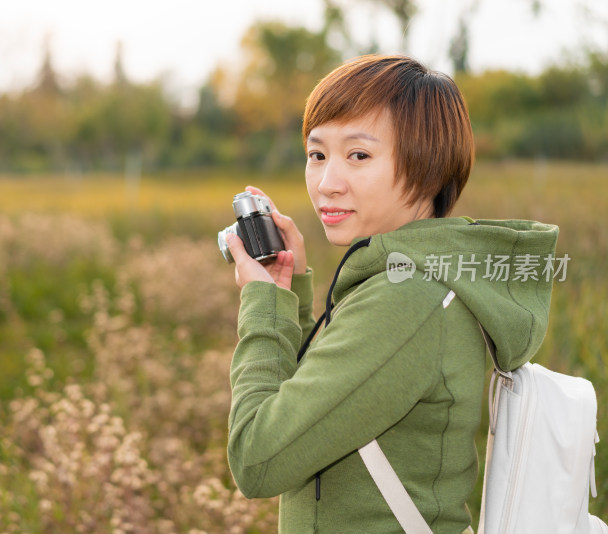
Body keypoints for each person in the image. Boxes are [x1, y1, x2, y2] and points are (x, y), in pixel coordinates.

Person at [224, 54, 559, 533]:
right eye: (317, 155)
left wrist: (260, 310)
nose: (327, 183)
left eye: (358, 155)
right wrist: (287, 294)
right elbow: (313, 412)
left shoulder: (407, 300)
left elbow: (257, 459)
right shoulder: (407, 281)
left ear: (428, 167)